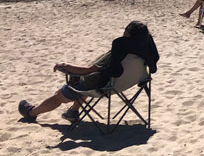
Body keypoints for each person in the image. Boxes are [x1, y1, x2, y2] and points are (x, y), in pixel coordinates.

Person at [18, 21, 159, 124]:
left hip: (101, 87)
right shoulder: (144, 52)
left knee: (61, 93)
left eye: (125, 30)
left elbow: (88, 70)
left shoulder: (120, 52)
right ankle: (73, 111)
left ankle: (31, 112)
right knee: (85, 79)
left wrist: (65, 65)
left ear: (128, 34)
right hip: (124, 85)